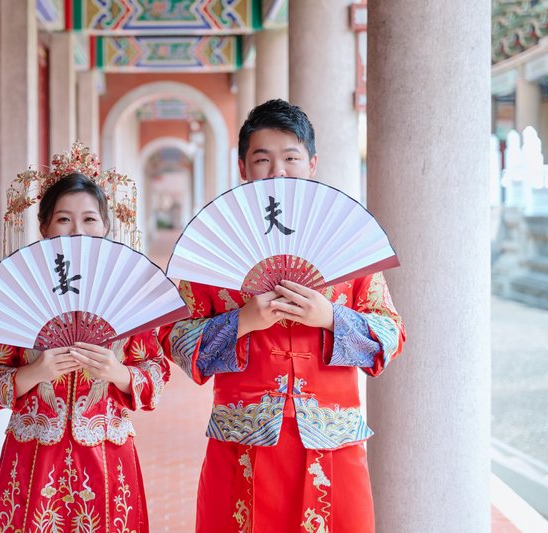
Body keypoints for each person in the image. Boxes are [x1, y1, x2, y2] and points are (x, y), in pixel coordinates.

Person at [160, 99, 406, 532]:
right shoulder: (216, 244)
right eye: (262, 160)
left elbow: (390, 333)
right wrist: (242, 321)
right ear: (242, 168)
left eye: (290, 158)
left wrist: (330, 316)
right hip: (242, 439)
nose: (278, 172)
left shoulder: (347, 238)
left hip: (333, 439)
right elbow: (176, 340)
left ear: (311, 164)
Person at [0, 144, 169, 533]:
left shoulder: (128, 293)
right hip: (32, 455)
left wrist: (119, 373)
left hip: (107, 454)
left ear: (106, 227)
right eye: (64, 219)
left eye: (89, 219)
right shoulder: (19, 292)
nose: (77, 230)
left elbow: (157, 372)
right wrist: (34, 373)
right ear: (44, 227)